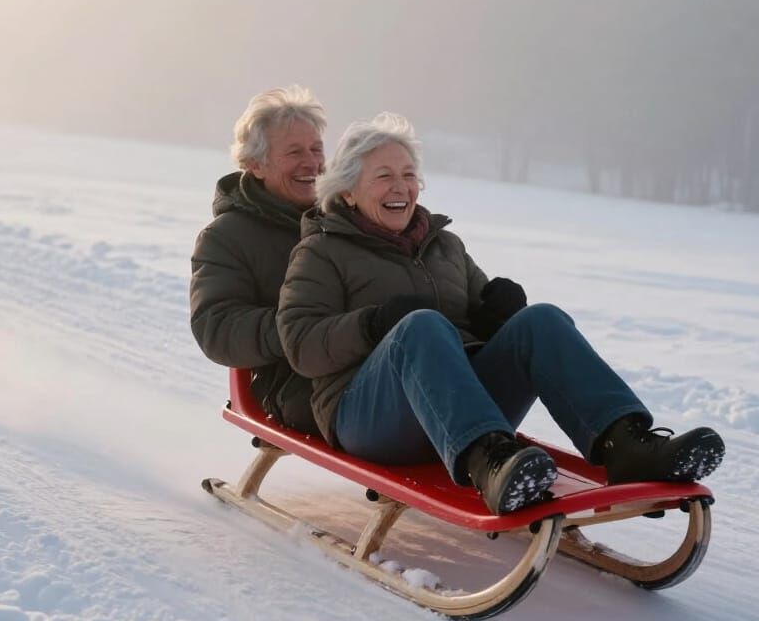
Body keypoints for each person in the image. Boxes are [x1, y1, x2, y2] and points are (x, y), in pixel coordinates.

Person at [277, 113, 725, 515]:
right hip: (371, 419)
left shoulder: (443, 245)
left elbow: (482, 322)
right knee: (421, 326)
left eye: (409, 174)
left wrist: (498, 315)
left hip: (452, 413)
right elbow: (299, 345)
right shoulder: (321, 250)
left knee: (540, 321)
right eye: (384, 176)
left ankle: (625, 445)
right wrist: (372, 325)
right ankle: (490, 465)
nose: (401, 186)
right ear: (348, 191)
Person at [190, 86, 327, 435]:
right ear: (255, 164)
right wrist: (306, 326)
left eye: (316, 149)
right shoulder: (226, 237)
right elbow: (217, 329)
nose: (312, 162)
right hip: (295, 384)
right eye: (294, 152)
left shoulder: (346, 218)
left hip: (363, 361)